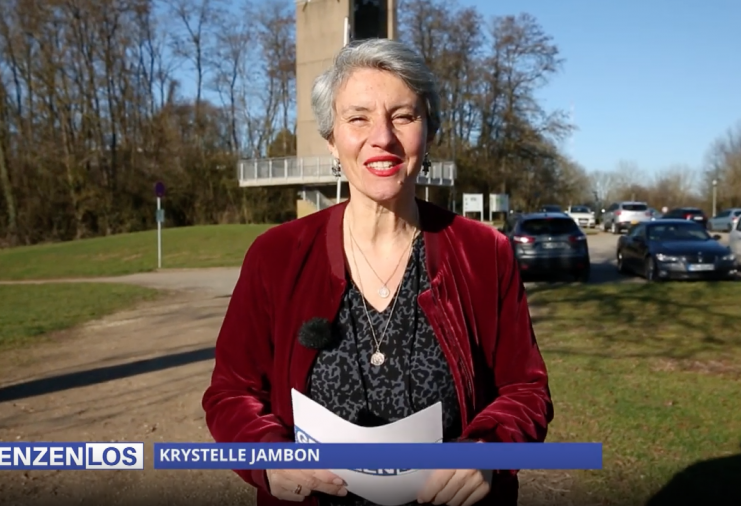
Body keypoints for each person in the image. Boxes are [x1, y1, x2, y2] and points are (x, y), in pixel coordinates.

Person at [202, 38, 553, 506]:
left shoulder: (484, 253)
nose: (382, 137)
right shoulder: (276, 255)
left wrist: (489, 451)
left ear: (428, 132)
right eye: (358, 118)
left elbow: (526, 390)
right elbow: (231, 392)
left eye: (403, 116)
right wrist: (266, 457)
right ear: (332, 139)